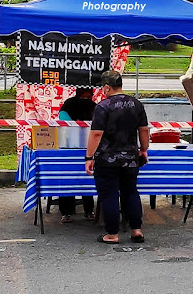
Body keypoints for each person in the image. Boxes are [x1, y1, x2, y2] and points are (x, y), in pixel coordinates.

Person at [85, 71, 149, 244]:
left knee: (109, 194)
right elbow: (144, 129)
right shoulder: (136, 104)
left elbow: (97, 134)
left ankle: (112, 234)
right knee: (131, 192)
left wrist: (89, 157)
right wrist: (144, 149)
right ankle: (136, 229)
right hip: (130, 158)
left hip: (107, 159)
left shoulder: (103, 106)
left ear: (107, 87)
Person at [58, 88, 96, 223]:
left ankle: (80, 211)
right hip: (76, 146)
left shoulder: (92, 106)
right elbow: (63, 119)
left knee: (78, 179)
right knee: (76, 178)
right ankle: (73, 211)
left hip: (79, 146)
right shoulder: (72, 104)